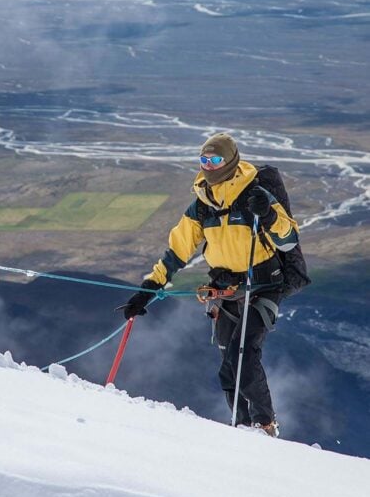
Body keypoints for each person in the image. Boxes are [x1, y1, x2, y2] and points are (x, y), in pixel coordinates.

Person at [122, 132, 300, 437]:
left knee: (242, 358)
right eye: (204, 160)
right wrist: (149, 289)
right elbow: (177, 251)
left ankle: (264, 424)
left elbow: (288, 241)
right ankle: (240, 426)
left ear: (230, 161)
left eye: (215, 159)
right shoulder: (202, 206)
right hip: (225, 290)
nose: (209, 166)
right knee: (228, 366)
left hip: (262, 287)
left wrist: (268, 214)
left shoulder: (254, 195)